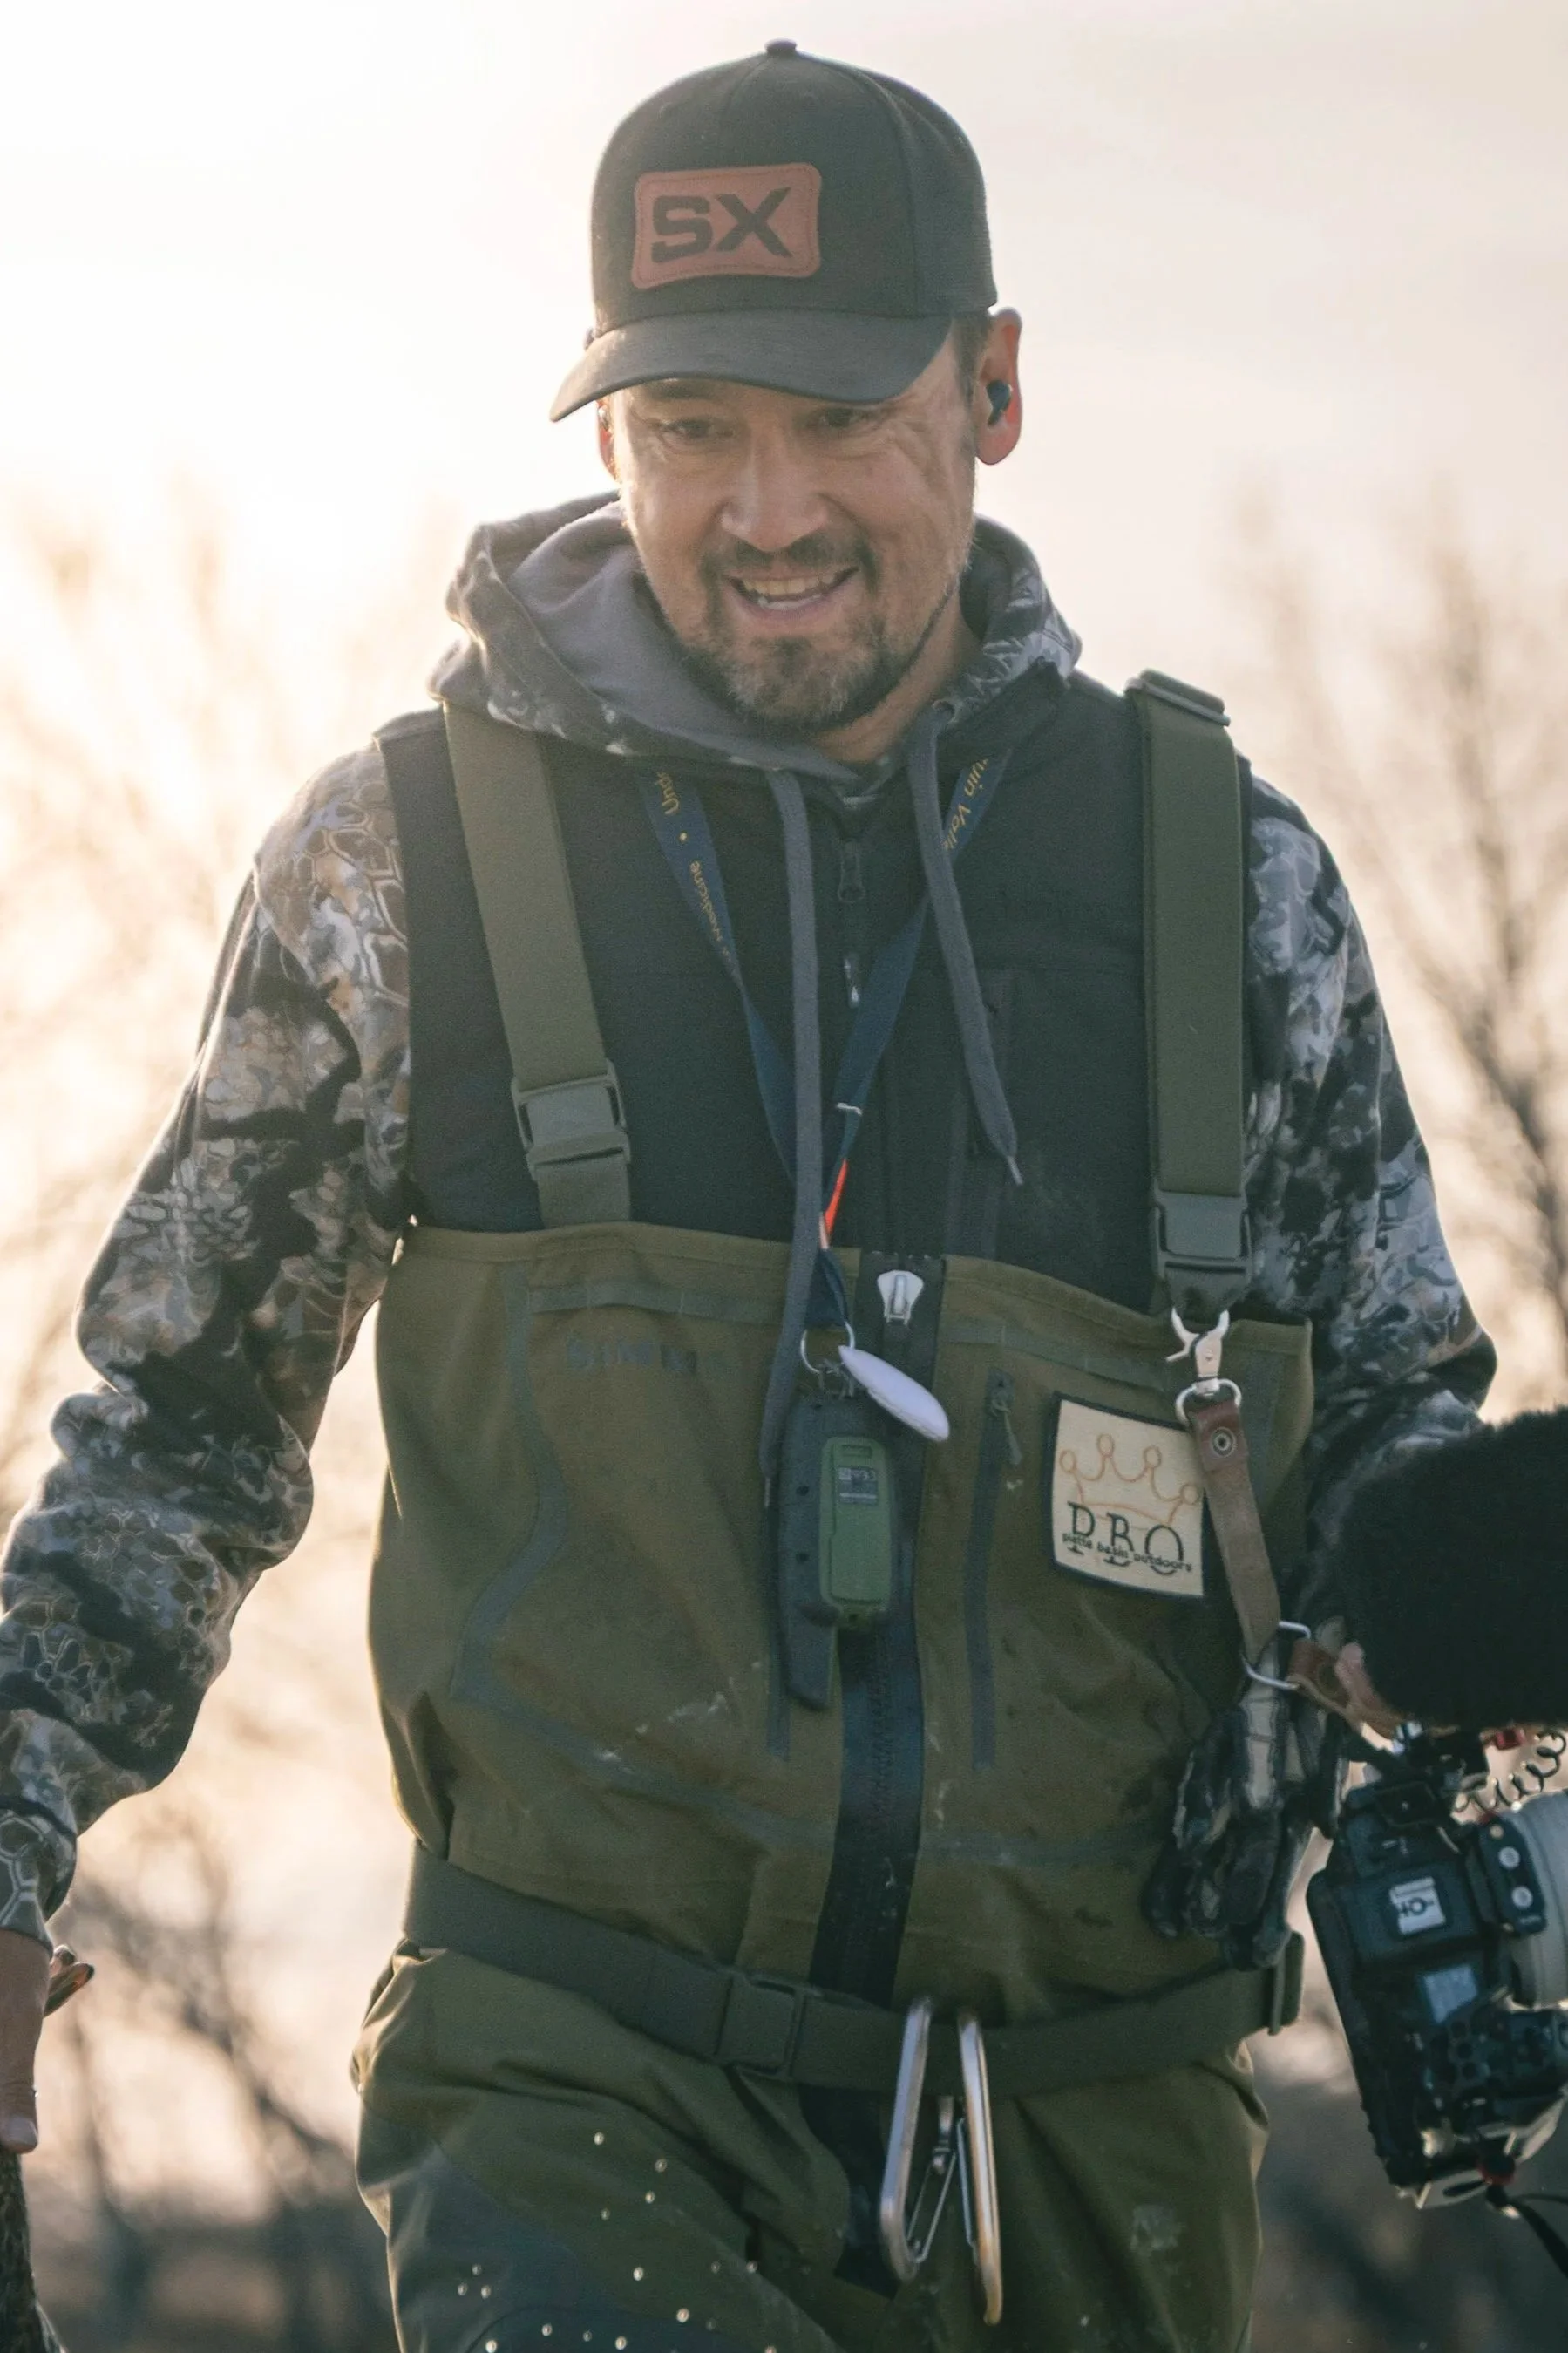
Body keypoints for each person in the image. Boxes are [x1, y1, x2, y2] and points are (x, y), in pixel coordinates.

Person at [0, 42, 1490, 2353]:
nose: (765, 508)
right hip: (576, 2085)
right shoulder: (402, 863)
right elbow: (173, 1437)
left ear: (989, 391)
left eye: (834, 420)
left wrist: (1469, 1576)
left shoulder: (1229, 891)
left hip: (1104, 2112)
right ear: (601, 429)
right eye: (690, 429)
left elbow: (1390, 1424)